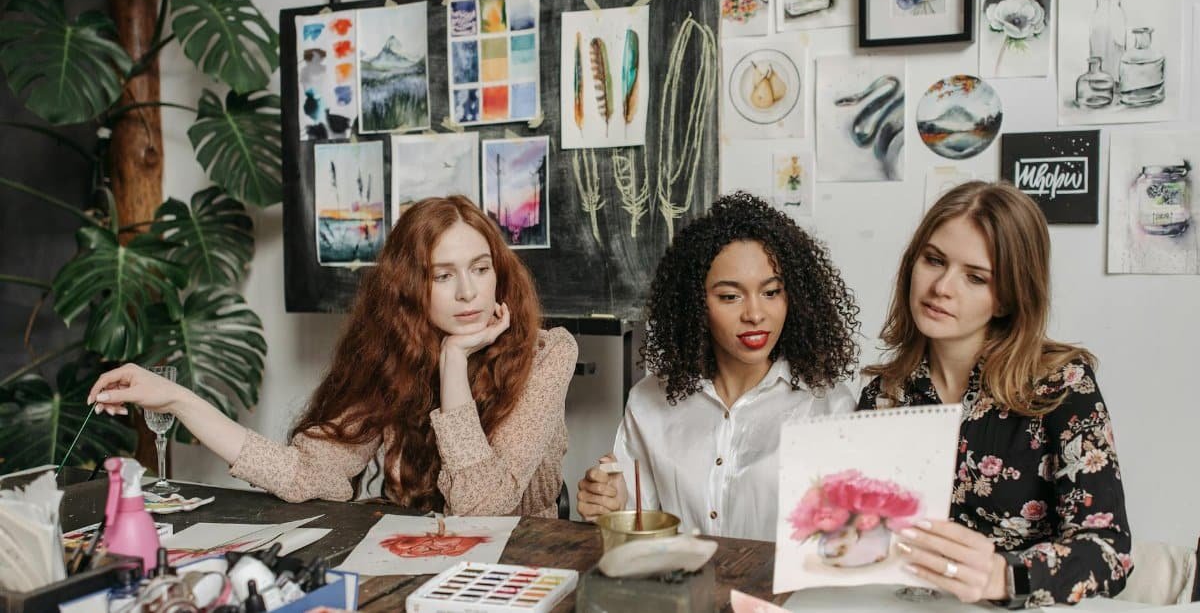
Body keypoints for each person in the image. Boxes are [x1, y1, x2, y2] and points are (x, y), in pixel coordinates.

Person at [88, 195, 578, 517]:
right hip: (414, 562)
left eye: (480, 268)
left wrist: (453, 364)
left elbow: (485, 510)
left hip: (520, 567)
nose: (469, 292)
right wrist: (178, 401)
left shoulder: (547, 353)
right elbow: (306, 472)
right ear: (411, 287)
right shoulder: (394, 356)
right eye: (443, 275)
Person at [858, 181, 1131, 607]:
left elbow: (1109, 553)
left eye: (975, 277)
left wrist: (1005, 576)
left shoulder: (1062, 385)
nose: (942, 287)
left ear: (1006, 298)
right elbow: (865, 536)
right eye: (934, 260)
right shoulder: (884, 394)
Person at [576, 192, 861, 541]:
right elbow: (640, 528)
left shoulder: (827, 407)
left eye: (771, 292)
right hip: (679, 590)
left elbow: (845, 542)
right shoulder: (650, 401)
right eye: (730, 296)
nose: (755, 314)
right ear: (695, 304)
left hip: (776, 595)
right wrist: (614, 504)